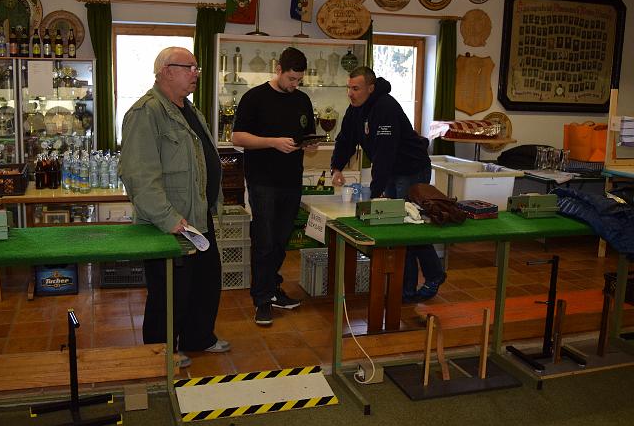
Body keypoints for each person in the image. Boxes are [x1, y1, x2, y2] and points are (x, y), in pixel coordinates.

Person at [119, 47, 229, 368]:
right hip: (169, 221)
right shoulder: (146, 112)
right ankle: (161, 351)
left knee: (205, 282)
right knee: (169, 291)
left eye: (197, 67)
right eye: (189, 67)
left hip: (198, 216)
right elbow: (139, 175)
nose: (196, 73)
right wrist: (168, 218)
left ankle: (198, 337)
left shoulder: (188, 109)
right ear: (166, 71)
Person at [330, 66, 446, 303]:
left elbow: (385, 153)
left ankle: (432, 275)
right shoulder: (355, 109)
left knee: (409, 226)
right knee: (398, 227)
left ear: (370, 88)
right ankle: (406, 289)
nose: (350, 93)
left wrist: (375, 193)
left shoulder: (386, 107)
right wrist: (336, 167)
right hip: (392, 170)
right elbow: (345, 139)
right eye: (349, 88)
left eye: (356, 88)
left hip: (411, 169)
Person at [232, 47, 317, 325]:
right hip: (263, 181)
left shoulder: (302, 100)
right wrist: (273, 142)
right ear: (278, 69)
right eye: (291, 78)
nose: (295, 85)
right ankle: (261, 299)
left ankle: (273, 288)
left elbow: (307, 135)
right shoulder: (254, 97)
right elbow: (237, 138)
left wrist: (310, 144)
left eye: (299, 80)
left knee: (281, 241)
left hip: (291, 180)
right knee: (265, 241)